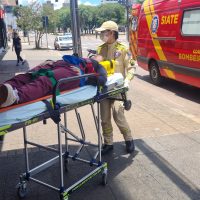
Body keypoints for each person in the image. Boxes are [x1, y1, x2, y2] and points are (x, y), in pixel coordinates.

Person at [0, 55, 107, 108]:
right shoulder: (80, 57)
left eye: (99, 56)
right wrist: (49, 62)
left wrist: (85, 77)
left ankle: (15, 97)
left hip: (74, 72)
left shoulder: (98, 66)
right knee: (29, 75)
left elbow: (102, 80)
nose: (96, 56)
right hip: (59, 64)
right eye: (95, 55)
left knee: (47, 80)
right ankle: (5, 88)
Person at [95, 20, 136, 154]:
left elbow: (131, 67)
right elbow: (95, 68)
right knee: (105, 118)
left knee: (118, 116)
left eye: (103, 32)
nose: (102, 35)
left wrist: (127, 81)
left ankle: (129, 140)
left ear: (111, 33)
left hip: (118, 90)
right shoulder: (100, 49)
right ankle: (108, 143)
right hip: (104, 89)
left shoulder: (123, 49)